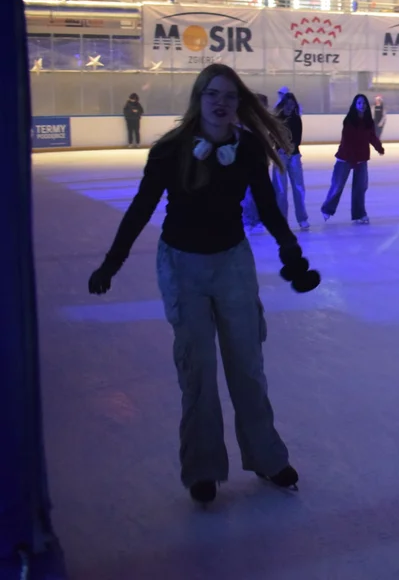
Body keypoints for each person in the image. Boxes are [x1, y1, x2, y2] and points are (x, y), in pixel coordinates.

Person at [86, 64, 320, 505]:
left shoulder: (247, 148)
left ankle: (267, 458)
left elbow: (267, 206)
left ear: (239, 103)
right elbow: (141, 207)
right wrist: (111, 262)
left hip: (232, 264)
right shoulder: (171, 150)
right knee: (198, 372)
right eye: (213, 93)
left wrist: (290, 249)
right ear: (199, 97)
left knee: (247, 368)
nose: (221, 102)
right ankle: (203, 467)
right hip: (182, 267)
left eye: (230, 96)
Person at [321, 94, 385, 224]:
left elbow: (371, 137)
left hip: (361, 159)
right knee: (338, 185)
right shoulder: (349, 120)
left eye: (364, 103)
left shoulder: (368, 121)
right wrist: (352, 159)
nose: (362, 105)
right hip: (345, 158)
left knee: (360, 187)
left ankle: (359, 213)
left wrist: (379, 148)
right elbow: (347, 141)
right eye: (359, 103)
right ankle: (327, 209)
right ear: (355, 105)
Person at [273, 92, 309, 229]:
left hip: (293, 156)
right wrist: (279, 149)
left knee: (299, 188)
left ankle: (302, 219)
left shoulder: (296, 119)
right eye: (287, 104)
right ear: (283, 104)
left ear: (294, 105)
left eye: (291, 104)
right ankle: (282, 220)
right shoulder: (277, 119)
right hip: (280, 157)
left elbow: (297, 139)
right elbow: (273, 136)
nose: (289, 106)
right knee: (281, 190)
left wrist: (288, 148)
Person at [241, 93, 270, 230]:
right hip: (248, 159)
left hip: (259, 159)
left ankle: (255, 217)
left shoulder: (262, 121)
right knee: (249, 190)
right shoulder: (247, 120)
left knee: (256, 190)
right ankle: (249, 218)